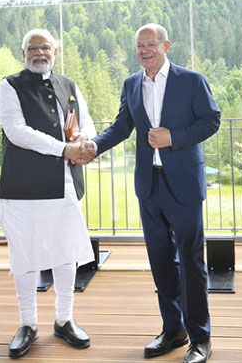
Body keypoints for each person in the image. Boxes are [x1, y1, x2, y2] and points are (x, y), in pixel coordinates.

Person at [85, 23, 220, 363]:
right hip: (149, 186)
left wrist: (173, 137)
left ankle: (200, 339)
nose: (144, 50)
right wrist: (93, 146)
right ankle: (173, 330)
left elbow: (211, 120)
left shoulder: (191, 81)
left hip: (185, 186)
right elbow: (121, 126)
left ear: (166, 46)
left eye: (150, 44)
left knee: (190, 262)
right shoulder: (132, 84)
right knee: (161, 263)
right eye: (139, 46)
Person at [0, 28, 99, 359]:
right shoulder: (10, 86)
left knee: (65, 252)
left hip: (64, 185)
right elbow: (16, 131)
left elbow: (85, 123)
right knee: (24, 256)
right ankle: (28, 324)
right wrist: (64, 149)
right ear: (22, 53)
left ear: (55, 52)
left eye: (45, 48)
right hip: (23, 186)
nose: (39, 53)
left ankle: (64, 319)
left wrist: (82, 141)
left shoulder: (68, 86)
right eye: (32, 48)